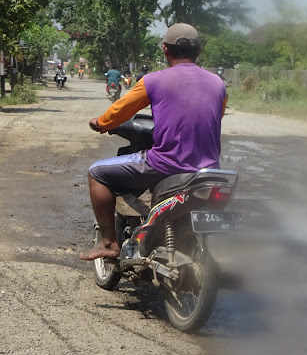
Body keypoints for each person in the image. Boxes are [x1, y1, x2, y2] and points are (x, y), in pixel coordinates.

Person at [80, 23, 227, 261]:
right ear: (199, 51)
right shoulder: (218, 83)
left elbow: (120, 111)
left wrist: (101, 123)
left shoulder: (153, 81)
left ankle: (108, 243)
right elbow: (216, 116)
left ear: (165, 50)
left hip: (166, 165)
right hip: (208, 169)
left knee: (96, 172)